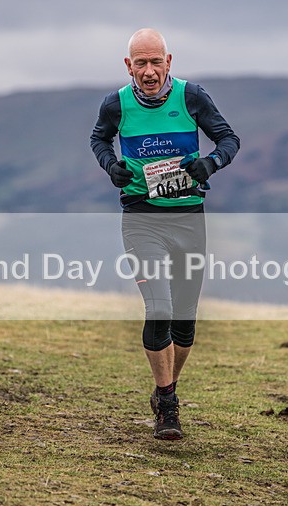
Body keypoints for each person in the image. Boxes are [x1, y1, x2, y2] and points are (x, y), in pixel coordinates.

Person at [90, 28, 240, 440]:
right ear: (129, 66)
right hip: (141, 218)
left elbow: (229, 139)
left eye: (156, 62)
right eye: (141, 63)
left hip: (189, 218)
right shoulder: (116, 104)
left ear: (168, 62)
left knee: (184, 324)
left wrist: (211, 163)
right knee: (159, 308)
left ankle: (164, 389)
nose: (150, 71)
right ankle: (168, 405)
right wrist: (111, 166)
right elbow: (99, 138)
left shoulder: (192, 97)